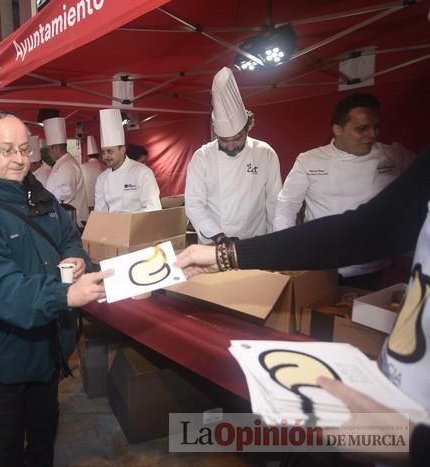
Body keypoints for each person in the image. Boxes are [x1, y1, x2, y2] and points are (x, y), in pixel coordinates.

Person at [175, 150, 430, 466]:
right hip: (394, 400)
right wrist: (226, 254)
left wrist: (415, 445)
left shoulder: (266, 154)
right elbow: (363, 231)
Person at [0, 111, 111, 466]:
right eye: (7, 150)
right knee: (7, 439)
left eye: (25, 149)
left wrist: (77, 259)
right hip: (4, 353)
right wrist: (65, 295)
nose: (19, 159)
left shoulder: (41, 197)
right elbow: (0, 289)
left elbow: (70, 238)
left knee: (44, 430)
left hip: (48, 345)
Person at [273, 93, 414, 289]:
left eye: (376, 126)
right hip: (319, 264)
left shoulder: (394, 155)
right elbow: (287, 205)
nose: (372, 134)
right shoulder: (310, 160)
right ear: (337, 129)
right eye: (362, 128)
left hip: (371, 266)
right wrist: (285, 250)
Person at [185, 67, 282, 244]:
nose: (230, 145)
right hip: (214, 243)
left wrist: (275, 239)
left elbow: (274, 202)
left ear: (248, 128)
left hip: (255, 241)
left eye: (237, 138)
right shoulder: (202, 157)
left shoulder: (264, 153)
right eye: (224, 140)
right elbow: (194, 205)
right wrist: (219, 237)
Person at [94, 109, 161, 213]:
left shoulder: (142, 172)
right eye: (103, 152)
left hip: (137, 228)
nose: (105, 156)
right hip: (112, 228)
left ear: (123, 150)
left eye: (109, 151)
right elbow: (100, 212)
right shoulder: (102, 179)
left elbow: (153, 209)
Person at [42, 116, 89, 226]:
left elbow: (66, 192)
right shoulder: (62, 162)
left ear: (56, 148)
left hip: (73, 220)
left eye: (49, 149)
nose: (49, 153)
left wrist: (44, 200)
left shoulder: (68, 165)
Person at [80, 135, 104, 211]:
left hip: (87, 202)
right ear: (99, 155)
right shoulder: (105, 167)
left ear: (88, 156)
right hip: (102, 203)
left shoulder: (82, 167)